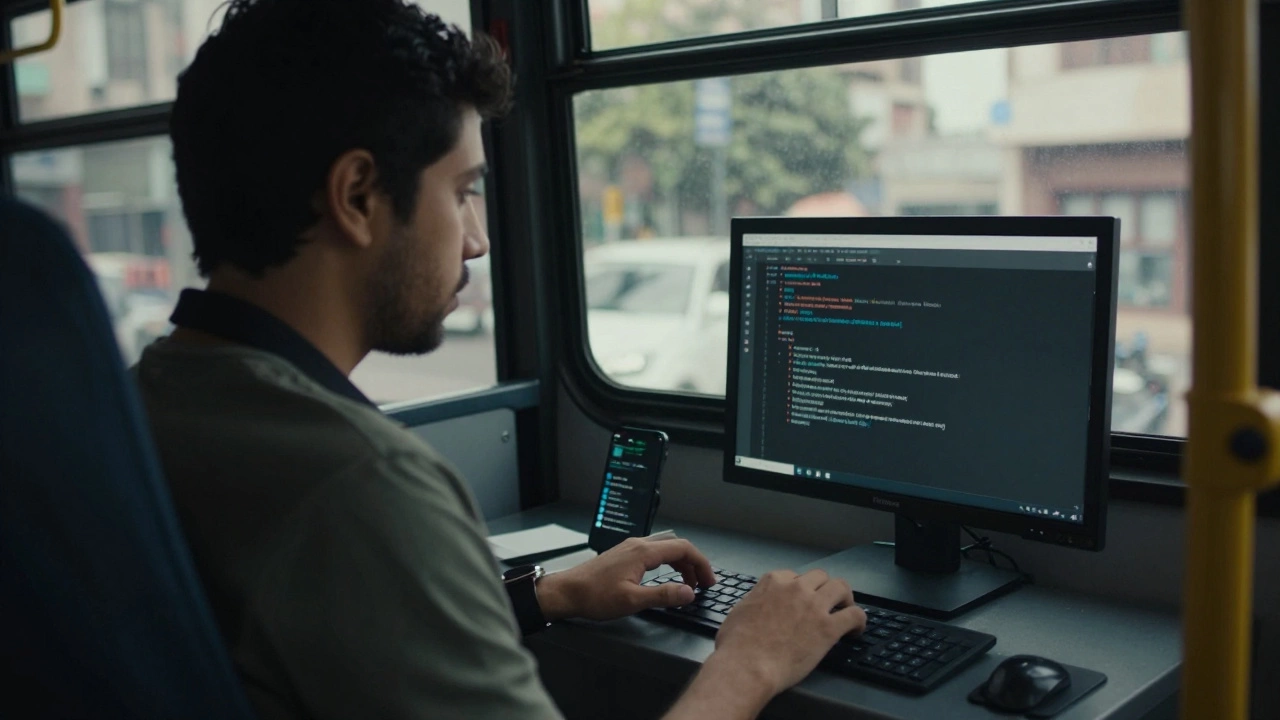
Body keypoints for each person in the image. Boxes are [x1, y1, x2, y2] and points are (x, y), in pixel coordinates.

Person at [137, 1, 867, 718]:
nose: (478, 241)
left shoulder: (147, 399)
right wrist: (751, 663)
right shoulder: (362, 485)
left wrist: (549, 593)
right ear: (358, 196)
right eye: (461, 192)